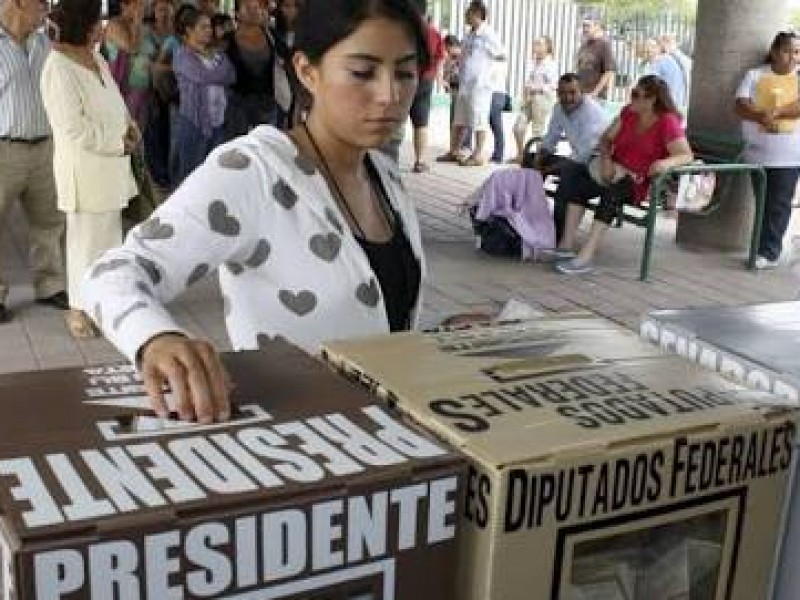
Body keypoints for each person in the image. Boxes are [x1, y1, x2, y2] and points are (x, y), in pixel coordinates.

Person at [83, 0, 430, 422]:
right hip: (300, 447)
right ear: (306, 71)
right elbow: (113, 273)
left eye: (406, 73)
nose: (389, 95)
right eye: (362, 72)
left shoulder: (385, 177)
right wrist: (158, 339)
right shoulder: (255, 171)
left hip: (393, 444)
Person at [41, 0, 138, 337]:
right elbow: (73, 128)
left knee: (109, 242)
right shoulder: (57, 66)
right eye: (95, 21)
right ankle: (79, 309)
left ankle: (104, 301)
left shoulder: (95, 57)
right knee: (85, 244)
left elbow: (115, 98)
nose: (101, 26)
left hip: (111, 168)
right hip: (84, 170)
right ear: (80, 25)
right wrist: (118, 141)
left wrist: (129, 123)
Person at [553, 75, 693, 275]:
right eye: (632, 93)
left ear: (651, 99)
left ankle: (586, 255)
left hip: (639, 181)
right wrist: (607, 161)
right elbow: (605, 140)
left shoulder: (667, 122)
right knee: (576, 178)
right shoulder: (628, 113)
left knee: (612, 192)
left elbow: (686, 155)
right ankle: (565, 245)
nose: (631, 99)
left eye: (636, 95)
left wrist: (665, 162)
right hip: (613, 170)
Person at [0, 0, 68, 323]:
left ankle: (50, 284)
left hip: (45, 147)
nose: (46, 10)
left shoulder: (45, 43)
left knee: (49, 221)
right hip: (4, 150)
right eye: (41, 4)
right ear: (18, 4)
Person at [735, 32, 800, 269]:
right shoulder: (755, 75)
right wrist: (761, 115)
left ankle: (769, 252)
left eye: (797, 52)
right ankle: (760, 248)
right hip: (758, 152)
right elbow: (740, 105)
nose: (793, 57)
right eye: (787, 51)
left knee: (778, 204)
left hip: (789, 155)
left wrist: (777, 113)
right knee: (763, 202)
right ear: (774, 51)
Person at [531, 73, 609, 242]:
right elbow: (551, 136)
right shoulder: (559, 107)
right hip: (577, 159)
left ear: (582, 92)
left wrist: (547, 169)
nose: (567, 97)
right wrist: (540, 156)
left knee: (568, 173)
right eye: (563, 93)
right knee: (530, 160)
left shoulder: (591, 112)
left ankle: (557, 233)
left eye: (572, 92)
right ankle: (528, 212)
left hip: (597, 164)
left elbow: (582, 155)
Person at [437, 0, 505, 166]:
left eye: (469, 13)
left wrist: (485, 69)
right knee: (459, 119)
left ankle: (478, 155)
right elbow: (463, 55)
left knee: (479, 120)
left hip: (480, 85)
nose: (466, 16)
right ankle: (454, 151)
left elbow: (502, 55)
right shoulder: (468, 34)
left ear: (477, 14)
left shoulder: (488, 34)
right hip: (465, 83)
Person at [172, 6, 235, 184]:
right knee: (190, 177)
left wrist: (220, 74)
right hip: (194, 123)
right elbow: (202, 75)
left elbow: (232, 75)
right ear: (189, 30)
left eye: (209, 26)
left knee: (213, 175)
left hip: (219, 123)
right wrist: (220, 73)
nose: (210, 31)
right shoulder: (182, 55)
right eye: (203, 27)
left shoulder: (216, 53)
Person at [224, 0, 278, 138]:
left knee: (267, 145)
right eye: (248, 7)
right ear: (237, 14)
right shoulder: (227, 40)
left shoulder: (272, 36)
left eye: (257, 7)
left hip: (266, 103)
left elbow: (286, 61)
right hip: (237, 105)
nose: (254, 11)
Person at [102, 0, 155, 131]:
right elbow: (132, 48)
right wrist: (137, 22)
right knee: (124, 134)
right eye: (137, 4)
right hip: (123, 90)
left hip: (141, 90)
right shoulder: (115, 24)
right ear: (124, 5)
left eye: (142, 4)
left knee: (138, 137)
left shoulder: (141, 27)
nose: (141, 8)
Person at [408, 0, 444, 173]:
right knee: (421, 122)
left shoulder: (405, 30)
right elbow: (440, 57)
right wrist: (438, 77)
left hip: (405, 78)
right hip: (425, 81)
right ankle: (420, 161)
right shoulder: (434, 33)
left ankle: (386, 157)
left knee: (395, 120)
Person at [511, 35, 558, 164]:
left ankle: (538, 159)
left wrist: (537, 89)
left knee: (538, 130)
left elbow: (554, 84)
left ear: (547, 47)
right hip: (529, 98)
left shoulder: (550, 64)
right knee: (518, 127)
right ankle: (521, 155)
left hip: (541, 98)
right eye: (535, 43)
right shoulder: (533, 62)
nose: (536, 46)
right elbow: (529, 80)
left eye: (539, 44)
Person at [642, 37, 687, 113]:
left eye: (652, 47)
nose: (648, 50)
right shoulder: (672, 59)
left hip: (664, 104)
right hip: (677, 103)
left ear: (659, 48)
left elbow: (648, 84)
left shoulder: (659, 61)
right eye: (646, 47)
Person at [575, 17, 615, 101]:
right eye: (583, 26)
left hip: (595, 96)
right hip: (581, 93)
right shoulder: (585, 44)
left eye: (588, 26)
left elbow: (609, 71)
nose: (585, 29)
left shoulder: (604, 44)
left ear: (597, 26)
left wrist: (595, 92)